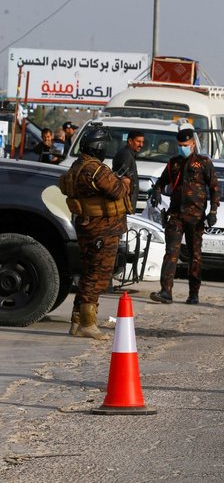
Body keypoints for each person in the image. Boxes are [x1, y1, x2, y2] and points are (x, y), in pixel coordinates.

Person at [57, 124, 131, 340]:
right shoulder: (95, 169)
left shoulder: (77, 167)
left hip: (88, 227)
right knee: (97, 274)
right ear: (99, 147)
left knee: (89, 271)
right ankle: (87, 324)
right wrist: (125, 182)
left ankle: (76, 321)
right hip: (102, 229)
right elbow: (116, 191)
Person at [149, 128, 220, 305]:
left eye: (185, 145)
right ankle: (166, 291)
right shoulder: (173, 163)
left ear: (193, 144)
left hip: (195, 218)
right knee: (171, 253)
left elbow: (215, 188)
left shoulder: (204, 163)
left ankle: (193, 293)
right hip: (175, 215)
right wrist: (157, 191)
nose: (182, 148)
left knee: (195, 256)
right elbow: (161, 181)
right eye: (180, 145)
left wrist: (213, 211)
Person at [112, 130, 144, 212]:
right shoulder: (125, 155)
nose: (141, 145)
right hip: (124, 204)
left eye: (142, 142)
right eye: (138, 141)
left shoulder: (130, 154)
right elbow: (124, 179)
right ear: (130, 141)